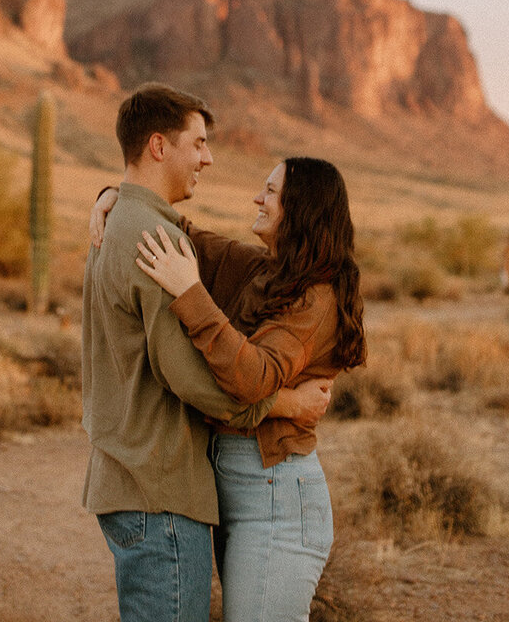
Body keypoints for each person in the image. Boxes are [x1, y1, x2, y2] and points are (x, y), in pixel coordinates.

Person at [82, 84, 333, 622]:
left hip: (132, 480)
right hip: (161, 491)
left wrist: (114, 193)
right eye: (197, 143)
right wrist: (282, 406)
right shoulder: (154, 238)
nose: (208, 157)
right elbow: (192, 380)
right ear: (157, 146)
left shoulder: (122, 226)